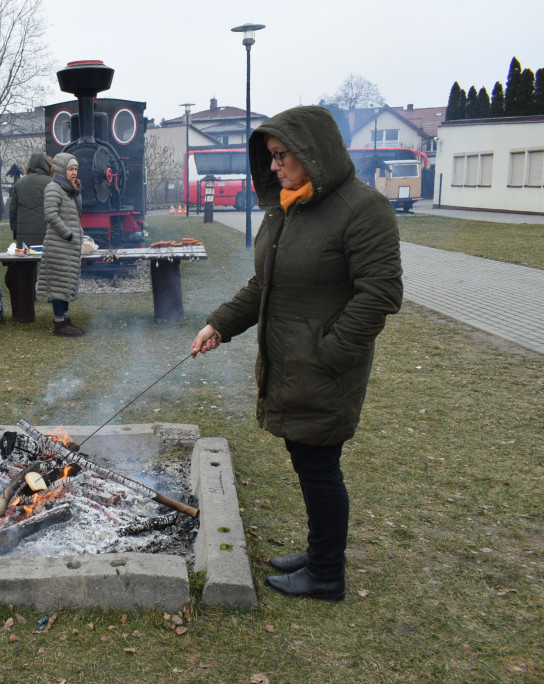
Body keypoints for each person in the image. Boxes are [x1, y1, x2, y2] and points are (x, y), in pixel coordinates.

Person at [190, 106, 403, 602]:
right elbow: (265, 287)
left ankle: (326, 573)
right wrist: (219, 323)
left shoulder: (362, 209)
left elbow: (381, 294)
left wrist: (329, 353)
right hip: (289, 361)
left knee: (319, 464)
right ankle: (319, 553)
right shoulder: (288, 208)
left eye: (282, 155)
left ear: (314, 153)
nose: (274, 166)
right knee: (307, 458)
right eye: (269, 157)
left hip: (324, 367)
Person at [37, 151, 85, 337]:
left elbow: (72, 217)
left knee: (65, 284)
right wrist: (69, 234)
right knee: (59, 284)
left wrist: (80, 235)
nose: (74, 172)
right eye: (70, 169)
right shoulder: (54, 188)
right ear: (60, 169)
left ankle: (65, 320)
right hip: (58, 246)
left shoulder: (69, 189)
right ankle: (60, 324)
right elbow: (51, 215)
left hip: (68, 245)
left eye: (76, 169)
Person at [9, 151, 53, 248]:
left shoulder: (19, 183)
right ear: (46, 166)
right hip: (47, 235)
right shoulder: (51, 183)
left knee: (25, 261)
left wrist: (15, 230)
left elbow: (13, 210)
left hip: (24, 236)